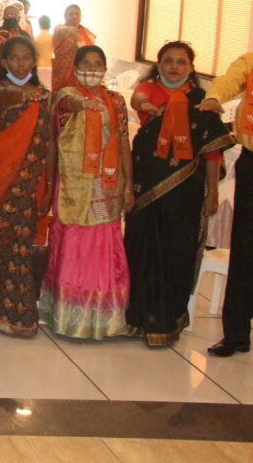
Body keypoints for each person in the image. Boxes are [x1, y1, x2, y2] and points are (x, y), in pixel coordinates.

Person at [125, 42, 232, 347]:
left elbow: (212, 154)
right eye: (168, 61)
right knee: (140, 249)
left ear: (191, 68)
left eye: (181, 62)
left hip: (185, 194)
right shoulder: (149, 90)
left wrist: (212, 194)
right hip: (145, 187)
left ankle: (166, 322)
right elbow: (138, 98)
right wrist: (148, 107)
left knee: (176, 253)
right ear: (158, 65)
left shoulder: (202, 103)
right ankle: (136, 319)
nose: (174, 66)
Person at [41, 45, 132, 339]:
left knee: (103, 247)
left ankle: (103, 319)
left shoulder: (116, 101)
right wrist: (82, 104)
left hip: (106, 184)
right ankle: (67, 317)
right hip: (73, 186)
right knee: (73, 244)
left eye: (98, 64)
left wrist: (128, 186)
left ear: (105, 69)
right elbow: (67, 105)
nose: (92, 69)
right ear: (76, 68)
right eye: (87, 64)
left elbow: (123, 141)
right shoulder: (65, 95)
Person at [0, 36, 54, 336]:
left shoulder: (45, 97)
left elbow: (49, 143)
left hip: (28, 182)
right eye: (15, 58)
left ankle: (19, 315)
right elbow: (1, 94)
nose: (21, 63)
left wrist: (49, 184)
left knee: (20, 248)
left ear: (34, 61)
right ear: (5, 62)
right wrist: (20, 94)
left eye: (26, 58)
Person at [198, 51, 253, 357]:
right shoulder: (250, 62)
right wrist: (214, 96)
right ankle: (236, 334)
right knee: (244, 249)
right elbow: (229, 81)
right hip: (252, 163)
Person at [51, 4, 96, 92]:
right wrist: (69, 30)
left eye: (77, 14)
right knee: (62, 95)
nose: (74, 16)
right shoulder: (60, 28)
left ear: (80, 17)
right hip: (63, 74)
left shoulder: (86, 32)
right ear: (64, 16)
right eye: (70, 14)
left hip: (81, 73)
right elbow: (60, 31)